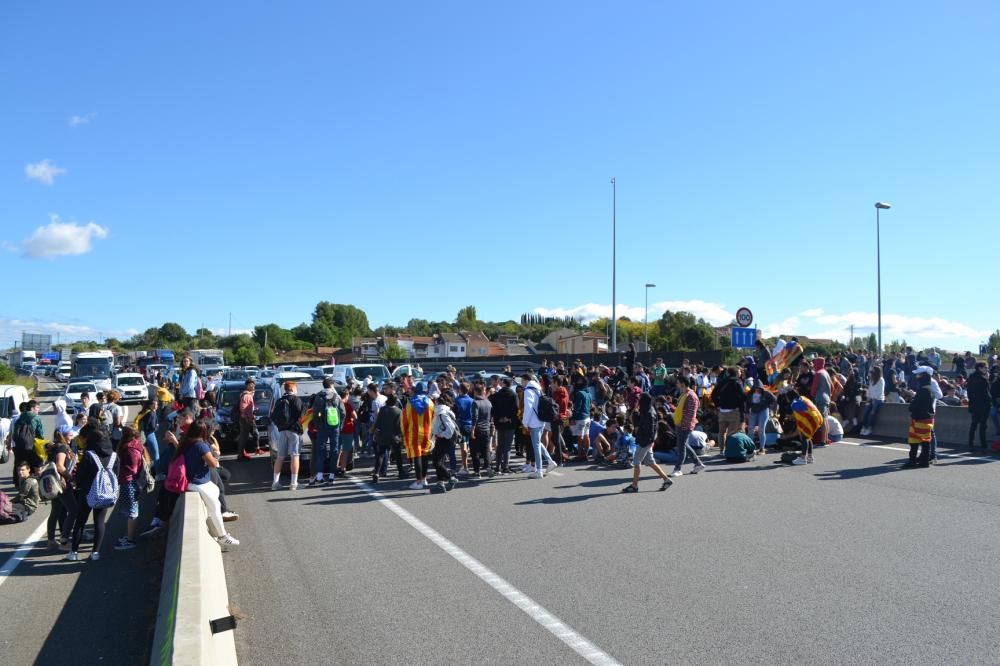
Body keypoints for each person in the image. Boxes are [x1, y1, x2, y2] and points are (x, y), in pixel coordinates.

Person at [180, 421, 239, 546]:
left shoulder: (186, 443)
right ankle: (223, 536)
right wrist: (215, 456)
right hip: (200, 482)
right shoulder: (201, 445)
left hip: (192, 481)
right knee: (215, 509)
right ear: (202, 432)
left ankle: (216, 533)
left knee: (215, 504)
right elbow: (213, 464)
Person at [66, 425, 119, 562]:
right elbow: (117, 475)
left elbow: (80, 476)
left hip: (87, 492)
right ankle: (95, 552)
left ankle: (74, 552)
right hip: (105, 493)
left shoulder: (90, 455)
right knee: (100, 522)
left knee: (80, 521)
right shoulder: (114, 455)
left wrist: (78, 484)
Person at [621, 393, 673, 492]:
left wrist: (643, 440)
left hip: (645, 441)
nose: (639, 401)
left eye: (641, 399)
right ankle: (667, 480)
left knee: (636, 461)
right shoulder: (647, 410)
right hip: (646, 441)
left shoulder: (649, 413)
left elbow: (650, 430)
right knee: (650, 462)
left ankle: (634, 486)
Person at [520, 371, 558, 479]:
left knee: (536, 445)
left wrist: (525, 422)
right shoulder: (538, 388)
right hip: (541, 420)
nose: (522, 383)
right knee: (538, 443)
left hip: (533, 421)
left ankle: (539, 470)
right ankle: (550, 462)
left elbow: (528, 407)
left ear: (526, 380)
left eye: (522, 380)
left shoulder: (528, 390)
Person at [115, 426, 146, 550]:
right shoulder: (136, 445)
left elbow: (133, 468)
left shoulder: (130, 448)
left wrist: (121, 470)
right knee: (132, 510)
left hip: (130, 481)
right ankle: (129, 536)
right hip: (132, 481)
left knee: (132, 511)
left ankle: (130, 540)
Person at [309, 378, 345, 486]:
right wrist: (339, 426)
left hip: (322, 428)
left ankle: (320, 476)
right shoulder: (337, 396)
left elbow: (315, 414)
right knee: (334, 450)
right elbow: (343, 412)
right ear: (332, 385)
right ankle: (331, 477)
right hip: (334, 427)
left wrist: (318, 425)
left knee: (321, 450)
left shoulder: (319, 396)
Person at [45, 430, 77, 550]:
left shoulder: (54, 446)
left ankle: (51, 541)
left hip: (54, 483)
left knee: (55, 511)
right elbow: (59, 465)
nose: (72, 436)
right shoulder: (62, 447)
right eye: (70, 434)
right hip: (61, 484)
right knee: (74, 510)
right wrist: (71, 477)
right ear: (63, 435)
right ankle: (64, 541)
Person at [669, 376, 706, 477]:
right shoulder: (684, 394)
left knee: (681, 447)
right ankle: (698, 464)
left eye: (678, 383)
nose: (677, 384)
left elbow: (691, 414)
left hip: (684, 425)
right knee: (683, 445)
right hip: (680, 423)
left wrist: (682, 423)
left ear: (683, 384)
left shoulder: (691, 396)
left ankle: (678, 469)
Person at [270, 381, 304, 491]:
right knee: (295, 455)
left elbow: (273, 416)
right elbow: (301, 415)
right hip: (293, 430)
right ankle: (293, 483)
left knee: (280, 457)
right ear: (293, 389)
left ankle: (275, 483)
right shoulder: (296, 399)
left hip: (281, 431)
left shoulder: (279, 401)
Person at [401, 382, 435, 490]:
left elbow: (404, 420)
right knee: (425, 456)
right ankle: (424, 479)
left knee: (417, 457)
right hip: (427, 433)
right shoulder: (430, 402)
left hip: (414, 433)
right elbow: (434, 418)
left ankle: (418, 481)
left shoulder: (410, 404)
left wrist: (403, 432)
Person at [429, 393, 459, 493]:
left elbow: (450, 429)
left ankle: (450, 478)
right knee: (439, 461)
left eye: (435, 401)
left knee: (436, 461)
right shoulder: (443, 411)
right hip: (444, 439)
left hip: (445, 440)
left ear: (438, 403)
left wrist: (441, 434)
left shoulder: (442, 413)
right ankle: (440, 484)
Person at [905, 372, 935, 468]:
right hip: (928, 419)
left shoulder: (922, 390)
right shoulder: (931, 390)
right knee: (926, 441)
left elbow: (916, 404)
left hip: (919, 419)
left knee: (914, 441)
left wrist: (911, 407)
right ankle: (924, 461)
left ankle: (912, 461)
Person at [11, 399, 44, 486]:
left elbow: (14, 434)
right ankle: (34, 487)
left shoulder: (20, 418)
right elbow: (40, 435)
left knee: (21, 467)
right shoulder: (36, 418)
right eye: (37, 408)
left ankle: (21, 486)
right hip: (31, 447)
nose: (38, 410)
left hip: (19, 447)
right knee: (35, 467)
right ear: (32, 408)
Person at [490, 376, 518, 475]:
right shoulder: (513, 394)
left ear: (504, 383)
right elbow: (515, 409)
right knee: (508, 446)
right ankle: (505, 467)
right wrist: (508, 417)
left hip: (499, 422)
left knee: (500, 445)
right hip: (509, 422)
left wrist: (499, 418)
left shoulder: (497, 395)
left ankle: (497, 466)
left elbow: (493, 409)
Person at [372, 394, 403, 483]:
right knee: (398, 454)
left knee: (381, 454)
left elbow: (378, 423)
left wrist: (375, 432)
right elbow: (399, 426)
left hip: (383, 435)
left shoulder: (382, 409)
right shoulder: (399, 411)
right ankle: (401, 472)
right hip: (394, 436)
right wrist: (400, 436)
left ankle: (376, 473)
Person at [469, 384, 493, 479]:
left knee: (475, 451)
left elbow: (475, 417)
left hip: (478, 429)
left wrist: (472, 430)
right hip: (486, 428)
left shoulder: (475, 403)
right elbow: (490, 417)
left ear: (475, 392)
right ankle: (488, 467)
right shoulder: (488, 402)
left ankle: (477, 471)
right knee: (486, 450)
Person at [966, 362, 992, 449]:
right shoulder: (983, 379)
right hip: (984, 404)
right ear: (980, 368)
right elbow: (987, 393)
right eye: (985, 367)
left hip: (974, 404)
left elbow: (969, 392)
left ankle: (970, 442)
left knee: (974, 424)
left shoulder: (971, 377)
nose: (986, 369)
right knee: (983, 424)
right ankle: (983, 444)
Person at [747, 380, 775, 453]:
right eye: (756, 388)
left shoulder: (766, 393)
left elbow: (774, 399)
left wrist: (770, 408)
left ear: (761, 388)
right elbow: (747, 403)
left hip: (763, 410)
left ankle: (762, 448)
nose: (757, 390)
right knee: (750, 429)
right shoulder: (750, 393)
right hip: (753, 411)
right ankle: (750, 448)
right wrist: (747, 412)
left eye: (759, 388)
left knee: (761, 430)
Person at [859, 367, 885, 436]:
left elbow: (880, 392)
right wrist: (868, 398)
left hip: (878, 399)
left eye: (871, 372)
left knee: (872, 413)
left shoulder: (881, 380)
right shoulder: (871, 380)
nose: (870, 373)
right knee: (865, 412)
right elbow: (869, 390)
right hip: (871, 399)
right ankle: (864, 427)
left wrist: (873, 399)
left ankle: (869, 428)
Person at [336, 388, 356, 475]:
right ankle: (342, 468)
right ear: (346, 395)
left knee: (338, 450)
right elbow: (355, 416)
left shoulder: (336, 405)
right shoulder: (348, 406)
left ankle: (335, 467)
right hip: (347, 429)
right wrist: (351, 418)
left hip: (338, 429)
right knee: (345, 450)